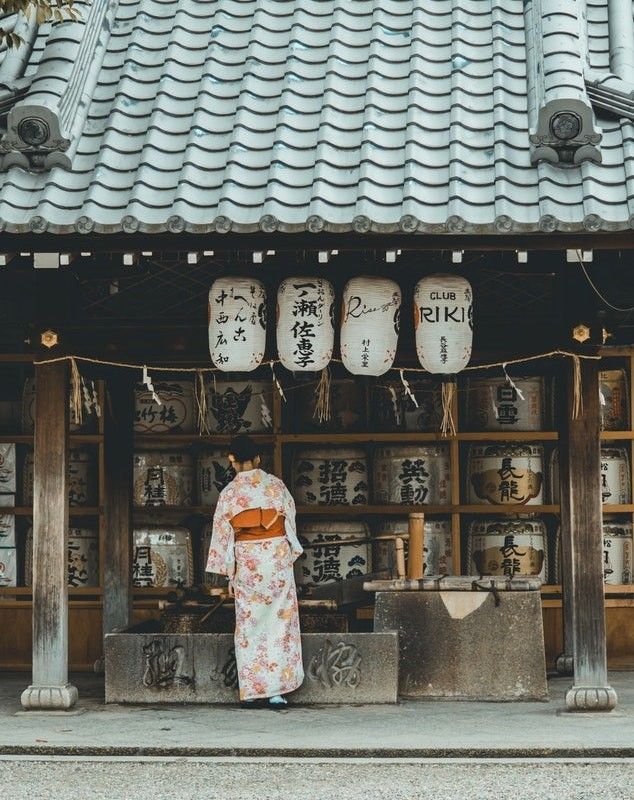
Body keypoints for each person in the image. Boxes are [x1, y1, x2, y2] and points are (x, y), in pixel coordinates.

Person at [206, 434, 304, 708]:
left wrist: (229, 571)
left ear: (232, 460)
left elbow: (224, 535)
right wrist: (285, 553)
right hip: (275, 559)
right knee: (280, 623)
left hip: (248, 562)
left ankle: (251, 691)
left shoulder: (229, 494)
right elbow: (289, 521)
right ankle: (277, 692)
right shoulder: (276, 486)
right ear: (258, 458)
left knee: (249, 625)